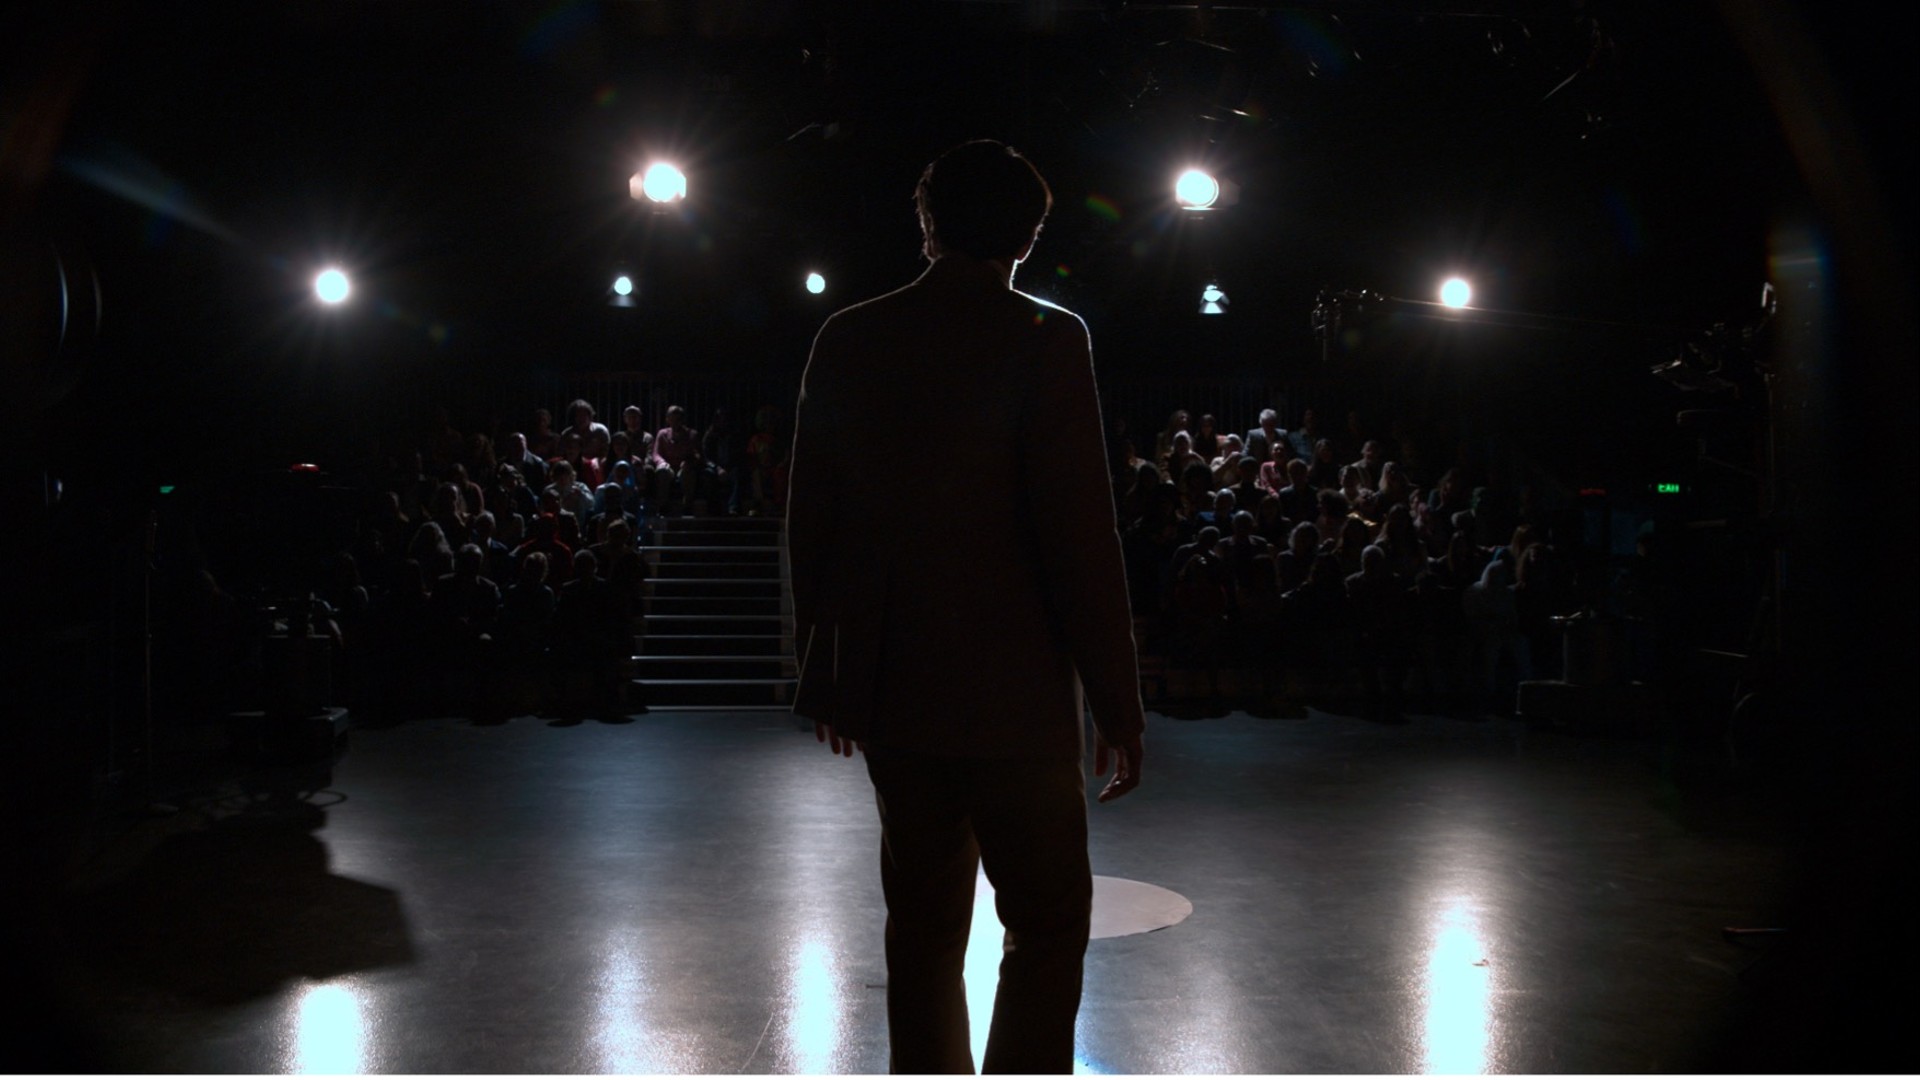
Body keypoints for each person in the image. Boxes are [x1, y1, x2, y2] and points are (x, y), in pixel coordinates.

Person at [786, 139, 1145, 1076]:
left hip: (898, 689)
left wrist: (829, 672)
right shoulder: (1047, 339)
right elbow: (1080, 535)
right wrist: (1116, 703)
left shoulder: (849, 337)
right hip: (1018, 698)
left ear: (927, 223)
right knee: (1047, 924)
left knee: (923, 927)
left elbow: (811, 522)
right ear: (1027, 237)